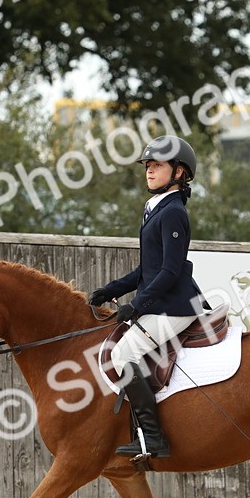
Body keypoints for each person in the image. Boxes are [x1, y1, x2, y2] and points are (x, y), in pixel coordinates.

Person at [89, 135, 205, 460]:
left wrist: (137, 305)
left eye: (157, 166)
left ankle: (154, 439)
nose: (150, 171)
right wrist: (111, 290)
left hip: (176, 306)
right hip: (162, 303)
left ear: (179, 172)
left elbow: (169, 271)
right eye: (148, 166)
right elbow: (147, 269)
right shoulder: (155, 208)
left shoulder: (173, 213)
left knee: (123, 355)